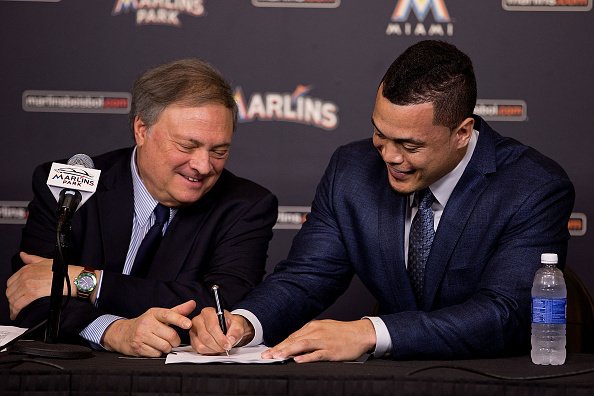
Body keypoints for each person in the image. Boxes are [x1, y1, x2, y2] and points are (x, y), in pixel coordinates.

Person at [189, 40, 575, 362]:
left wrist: (371, 332)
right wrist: (245, 322)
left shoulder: (532, 187)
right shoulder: (351, 169)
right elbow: (307, 275)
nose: (388, 156)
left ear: (462, 132)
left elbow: (505, 314)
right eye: (380, 134)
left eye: (410, 145)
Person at [7, 58, 278, 357]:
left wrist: (88, 282)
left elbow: (222, 303)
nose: (203, 166)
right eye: (187, 146)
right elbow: (29, 295)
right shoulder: (69, 184)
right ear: (141, 129)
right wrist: (111, 331)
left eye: (219, 151)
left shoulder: (246, 205)